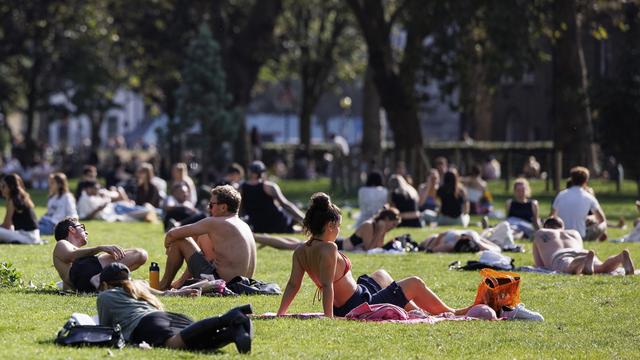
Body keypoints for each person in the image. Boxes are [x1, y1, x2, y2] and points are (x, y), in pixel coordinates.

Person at [277, 192, 476, 318]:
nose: (339, 230)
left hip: (359, 294)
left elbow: (293, 284)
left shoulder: (301, 250)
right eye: (338, 226)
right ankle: (451, 312)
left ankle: (415, 311)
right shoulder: (329, 248)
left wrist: (280, 314)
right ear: (330, 225)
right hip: (358, 305)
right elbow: (328, 286)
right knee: (414, 282)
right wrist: (329, 318)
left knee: (381, 274)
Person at [97, 263, 253, 353]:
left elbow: (105, 329)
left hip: (147, 325)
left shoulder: (105, 296)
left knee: (174, 345)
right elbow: (164, 293)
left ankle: (229, 317)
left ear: (104, 284)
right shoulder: (138, 287)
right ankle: (234, 332)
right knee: (199, 346)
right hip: (168, 317)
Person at [160, 185, 257, 289]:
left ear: (223, 207)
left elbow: (172, 234)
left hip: (222, 283)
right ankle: (179, 282)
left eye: (211, 205)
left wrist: (167, 247)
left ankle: (163, 285)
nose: (208, 208)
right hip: (243, 284)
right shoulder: (244, 225)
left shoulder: (216, 222)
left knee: (180, 240)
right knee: (200, 240)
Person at [52, 217, 148, 292]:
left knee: (140, 258)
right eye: (82, 227)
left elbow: (68, 285)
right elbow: (71, 255)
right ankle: (100, 278)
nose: (86, 232)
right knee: (139, 254)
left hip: (85, 285)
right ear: (72, 229)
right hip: (85, 274)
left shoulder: (78, 259)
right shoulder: (62, 243)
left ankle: (105, 280)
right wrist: (100, 248)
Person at [532, 217, 634, 275]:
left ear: (546, 226)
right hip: (582, 251)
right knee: (602, 268)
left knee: (569, 267)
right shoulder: (573, 232)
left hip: (561, 255)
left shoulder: (540, 233)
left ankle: (584, 260)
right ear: (562, 227)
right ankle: (620, 257)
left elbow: (540, 264)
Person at [240, 161, 305, 233]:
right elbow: (285, 204)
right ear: (262, 172)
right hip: (277, 223)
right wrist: (303, 218)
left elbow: (240, 208)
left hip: (258, 226)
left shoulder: (242, 188)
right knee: (295, 208)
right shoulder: (269, 186)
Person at [551, 166, 607, 241]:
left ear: (572, 179)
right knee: (603, 224)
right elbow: (601, 219)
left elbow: (552, 216)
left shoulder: (561, 195)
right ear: (586, 181)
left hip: (562, 235)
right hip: (580, 237)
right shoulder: (589, 196)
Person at [77, 180, 157, 222]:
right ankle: (158, 212)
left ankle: (157, 212)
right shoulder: (84, 200)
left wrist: (105, 198)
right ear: (89, 189)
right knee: (146, 211)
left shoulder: (93, 196)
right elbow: (84, 218)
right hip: (115, 211)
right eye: (96, 188)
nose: (98, 190)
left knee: (144, 210)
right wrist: (98, 209)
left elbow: (113, 196)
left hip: (116, 207)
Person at [0, 173, 41, 244]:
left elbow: (7, 225)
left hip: (27, 237)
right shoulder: (22, 197)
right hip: (33, 236)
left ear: (11, 187)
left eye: (3, 186)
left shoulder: (12, 200)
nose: (1, 189)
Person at [418, 229, 502, 253]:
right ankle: (487, 230)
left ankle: (487, 231)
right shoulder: (474, 238)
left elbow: (431, 250)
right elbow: (497, 248)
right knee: (424, 243)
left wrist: (431, 248)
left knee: (424, 243)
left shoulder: (451, 244)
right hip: (473, 237)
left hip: (472, 238)